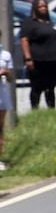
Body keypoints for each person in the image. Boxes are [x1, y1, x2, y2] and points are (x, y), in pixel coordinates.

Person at [19, 0, 56, 111]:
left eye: (45, 6)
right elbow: (24, 40)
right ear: (35, 8)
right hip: (38, 61)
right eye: (40, 6)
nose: (43, 8)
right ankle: (35, 110)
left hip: (53, 61)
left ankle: (51, 110)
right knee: (37, 87)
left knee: (51, 88)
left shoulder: (50, 22)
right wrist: (28, 58)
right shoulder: (29, 23)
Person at [0, 44, 11, 172]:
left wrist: (7, 73)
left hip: (2, 94)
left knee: (0, 127)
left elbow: (11, 79)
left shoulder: (5, 55)